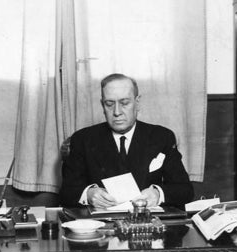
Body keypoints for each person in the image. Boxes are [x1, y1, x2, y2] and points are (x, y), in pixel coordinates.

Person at [60, 73, 193, 208]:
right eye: (109, 104)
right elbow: (66, 192)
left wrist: (158, 194)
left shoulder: (162, 137)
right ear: (102, 105)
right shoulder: (83, 139)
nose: (117, 112)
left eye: (124, 103)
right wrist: (88, 194)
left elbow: (185, 190)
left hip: (146, 222)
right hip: (101, 224)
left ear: (137, 102)